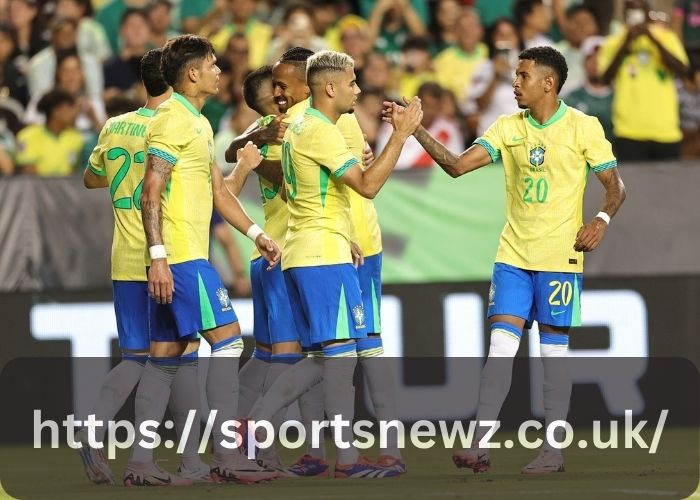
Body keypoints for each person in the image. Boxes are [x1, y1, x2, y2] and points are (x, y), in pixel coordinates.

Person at [384, 46, 626, 474]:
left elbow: (615, 187)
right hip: (513, 255)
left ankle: (552, 450)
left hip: (560, 258)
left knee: (553, 354)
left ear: (548, 83)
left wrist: (602, 220)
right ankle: (479, 444)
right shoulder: (507, 127)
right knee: (500, 347)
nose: (514, 83)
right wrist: (416, 131)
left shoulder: (582, 128)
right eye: (515, 76)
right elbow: (458, 166)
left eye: (523, 76)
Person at [125, 34, 280, 486]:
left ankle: (139, 462)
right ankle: (228, 456)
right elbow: (150, 190)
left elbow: (217, 192)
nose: (218, 70)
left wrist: (257, 233)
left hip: (178, 254)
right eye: (212, 64)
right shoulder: (175, 120)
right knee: (229, 339)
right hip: (181, 256)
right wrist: (158, 257)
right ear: (192, 73)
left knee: (166, 356)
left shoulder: (197, 121)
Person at [274, 49, 421, 478]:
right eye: (277, 86)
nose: (279, 93)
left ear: (308, 84)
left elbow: (356, 173)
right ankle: (330, 452)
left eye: (284, 84)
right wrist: (399, 138)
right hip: (328, 246)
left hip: (356, 242)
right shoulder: (307, 125)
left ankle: (382, 449)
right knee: (337, 353)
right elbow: (362, 179)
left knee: (359, 348)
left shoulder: (332, 119)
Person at [78, 47, 213, 486]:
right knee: (181, 357)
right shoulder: (175, 123)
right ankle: (188, 458)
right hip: (165, 255)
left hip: (124, 257)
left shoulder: (116, 125)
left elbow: (92, 177)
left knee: (138, 356)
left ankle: (96, 426)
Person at [598, 0, 689, 161]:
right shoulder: (613, 41)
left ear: (648, 11)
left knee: (670, 185)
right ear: (625, 12)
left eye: (640, 8)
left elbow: (682, 70)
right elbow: (605, 78)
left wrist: (652, 39)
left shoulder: (666, 37)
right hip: (628, 131)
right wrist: (626, 43)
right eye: (631, 8)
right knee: (634, 185)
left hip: (666, 131)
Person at [15, 88, 82, 176]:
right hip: (36, 188)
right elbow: (30, 174)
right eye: (70, 107)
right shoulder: (28, 136)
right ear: (56, 111)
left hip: (68, 189)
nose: (75, 112)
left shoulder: (76, 137)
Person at [566, 36, 614, 142]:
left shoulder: (621, 98)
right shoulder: (571, 99)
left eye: (601, 59)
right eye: (592, 59)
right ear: (583, 63)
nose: (596, 63)